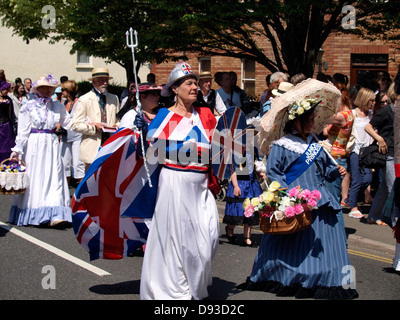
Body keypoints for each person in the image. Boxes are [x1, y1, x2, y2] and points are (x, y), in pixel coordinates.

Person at [242, 94, 358, 299]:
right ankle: (288, 275)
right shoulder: (281, 145)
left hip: (321, 200)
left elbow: (323, 171)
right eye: (311, 119)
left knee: (328, 243)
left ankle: (327, 278)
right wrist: (288, 199)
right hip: (297, 200)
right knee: (291, 244)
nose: (314, 122)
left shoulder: (316, 144)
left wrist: (335, 171)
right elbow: (275, 176)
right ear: (298, 120)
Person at [140, 62, 219, 300]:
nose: (195, 87)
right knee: (177, 239)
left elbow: (223, 147)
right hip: (174, 182)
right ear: (175, 88)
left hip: (201, 185)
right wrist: (141, 134)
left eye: (196, 83)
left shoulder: (205, 114)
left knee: (210, 235)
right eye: (189, 83)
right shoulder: (166, 116)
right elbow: (153, 153)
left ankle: (193, 280)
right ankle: (177, 289)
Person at [8, 74, 72, 227]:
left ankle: (55, 214)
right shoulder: (28, 106)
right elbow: (23, 131)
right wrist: (17, 150)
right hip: (35, 145)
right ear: (38, 89)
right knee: (36, 176)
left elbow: (69, 123)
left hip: (51, 143)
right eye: (44, 87)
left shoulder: (57, 106)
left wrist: (88, 123)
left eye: (50, 88)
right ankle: (35, 211)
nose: (48, 90)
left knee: (54, 176)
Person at [71, 68, 120, 166]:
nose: (105, 83)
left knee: (109, 178)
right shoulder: (85, 99)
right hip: (93, 147)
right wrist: (94, 128)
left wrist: (117, 126)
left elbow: (118, 119)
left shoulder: (114, 98)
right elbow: (75, 125)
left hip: (110, 146)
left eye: (106, 80)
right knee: (92, 179)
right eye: (101, 80)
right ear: (94, 81)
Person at [365, 82, 398, 225]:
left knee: (385, 187)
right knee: (394, 189)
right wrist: (379, 139)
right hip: (390, 155)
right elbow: (368, 126)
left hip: (396, 153)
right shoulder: (386, 111)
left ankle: (373, 216)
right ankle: (395, 221)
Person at [223, 130, 263, 247]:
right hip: (240, 182)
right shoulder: (236, 151)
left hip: (251, 184)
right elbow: (233, 170)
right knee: (237, 212)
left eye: (252, 136)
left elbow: (253, 167)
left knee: (250, 211)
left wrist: (260, 173)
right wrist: (235, 186)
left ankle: (247, 237)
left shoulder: (253, 150)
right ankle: (230, 229)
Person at [347, 87, 375, 218]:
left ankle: (352, 196)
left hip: (367, 151)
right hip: (355, 150)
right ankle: (353, 207)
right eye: (371, 100)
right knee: (356, 179)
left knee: (368, 178)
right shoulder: (352, 113)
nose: (374, 103)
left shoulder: (370, 115)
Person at [60, 80, 85, 186]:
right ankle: (65, 189)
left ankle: (81, 189)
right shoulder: (63, 103)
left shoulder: (79, 102)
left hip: (77, 135)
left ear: (69, 90)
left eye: (63, 90)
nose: (61, 92)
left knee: (77, 163)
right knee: (64, 163)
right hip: (65, 136)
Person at [0, 80, 15, 163]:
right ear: (1, 90)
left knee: (7, 146)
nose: (8, 91)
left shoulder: (8, 100)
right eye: (6, 89)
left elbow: (10, 114)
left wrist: (11, 125)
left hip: (6, 126)